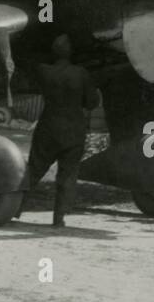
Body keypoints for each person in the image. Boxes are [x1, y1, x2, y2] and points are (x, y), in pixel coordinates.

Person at [19, 35, 99, 228]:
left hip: (48, 126)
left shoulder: (43, 71)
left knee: (35, 169)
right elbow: (92, 103)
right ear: (71, 53)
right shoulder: (81, 73)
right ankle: (59, 218)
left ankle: (15, 207)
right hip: (74, 130)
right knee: (67, 175)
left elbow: (30, 78)